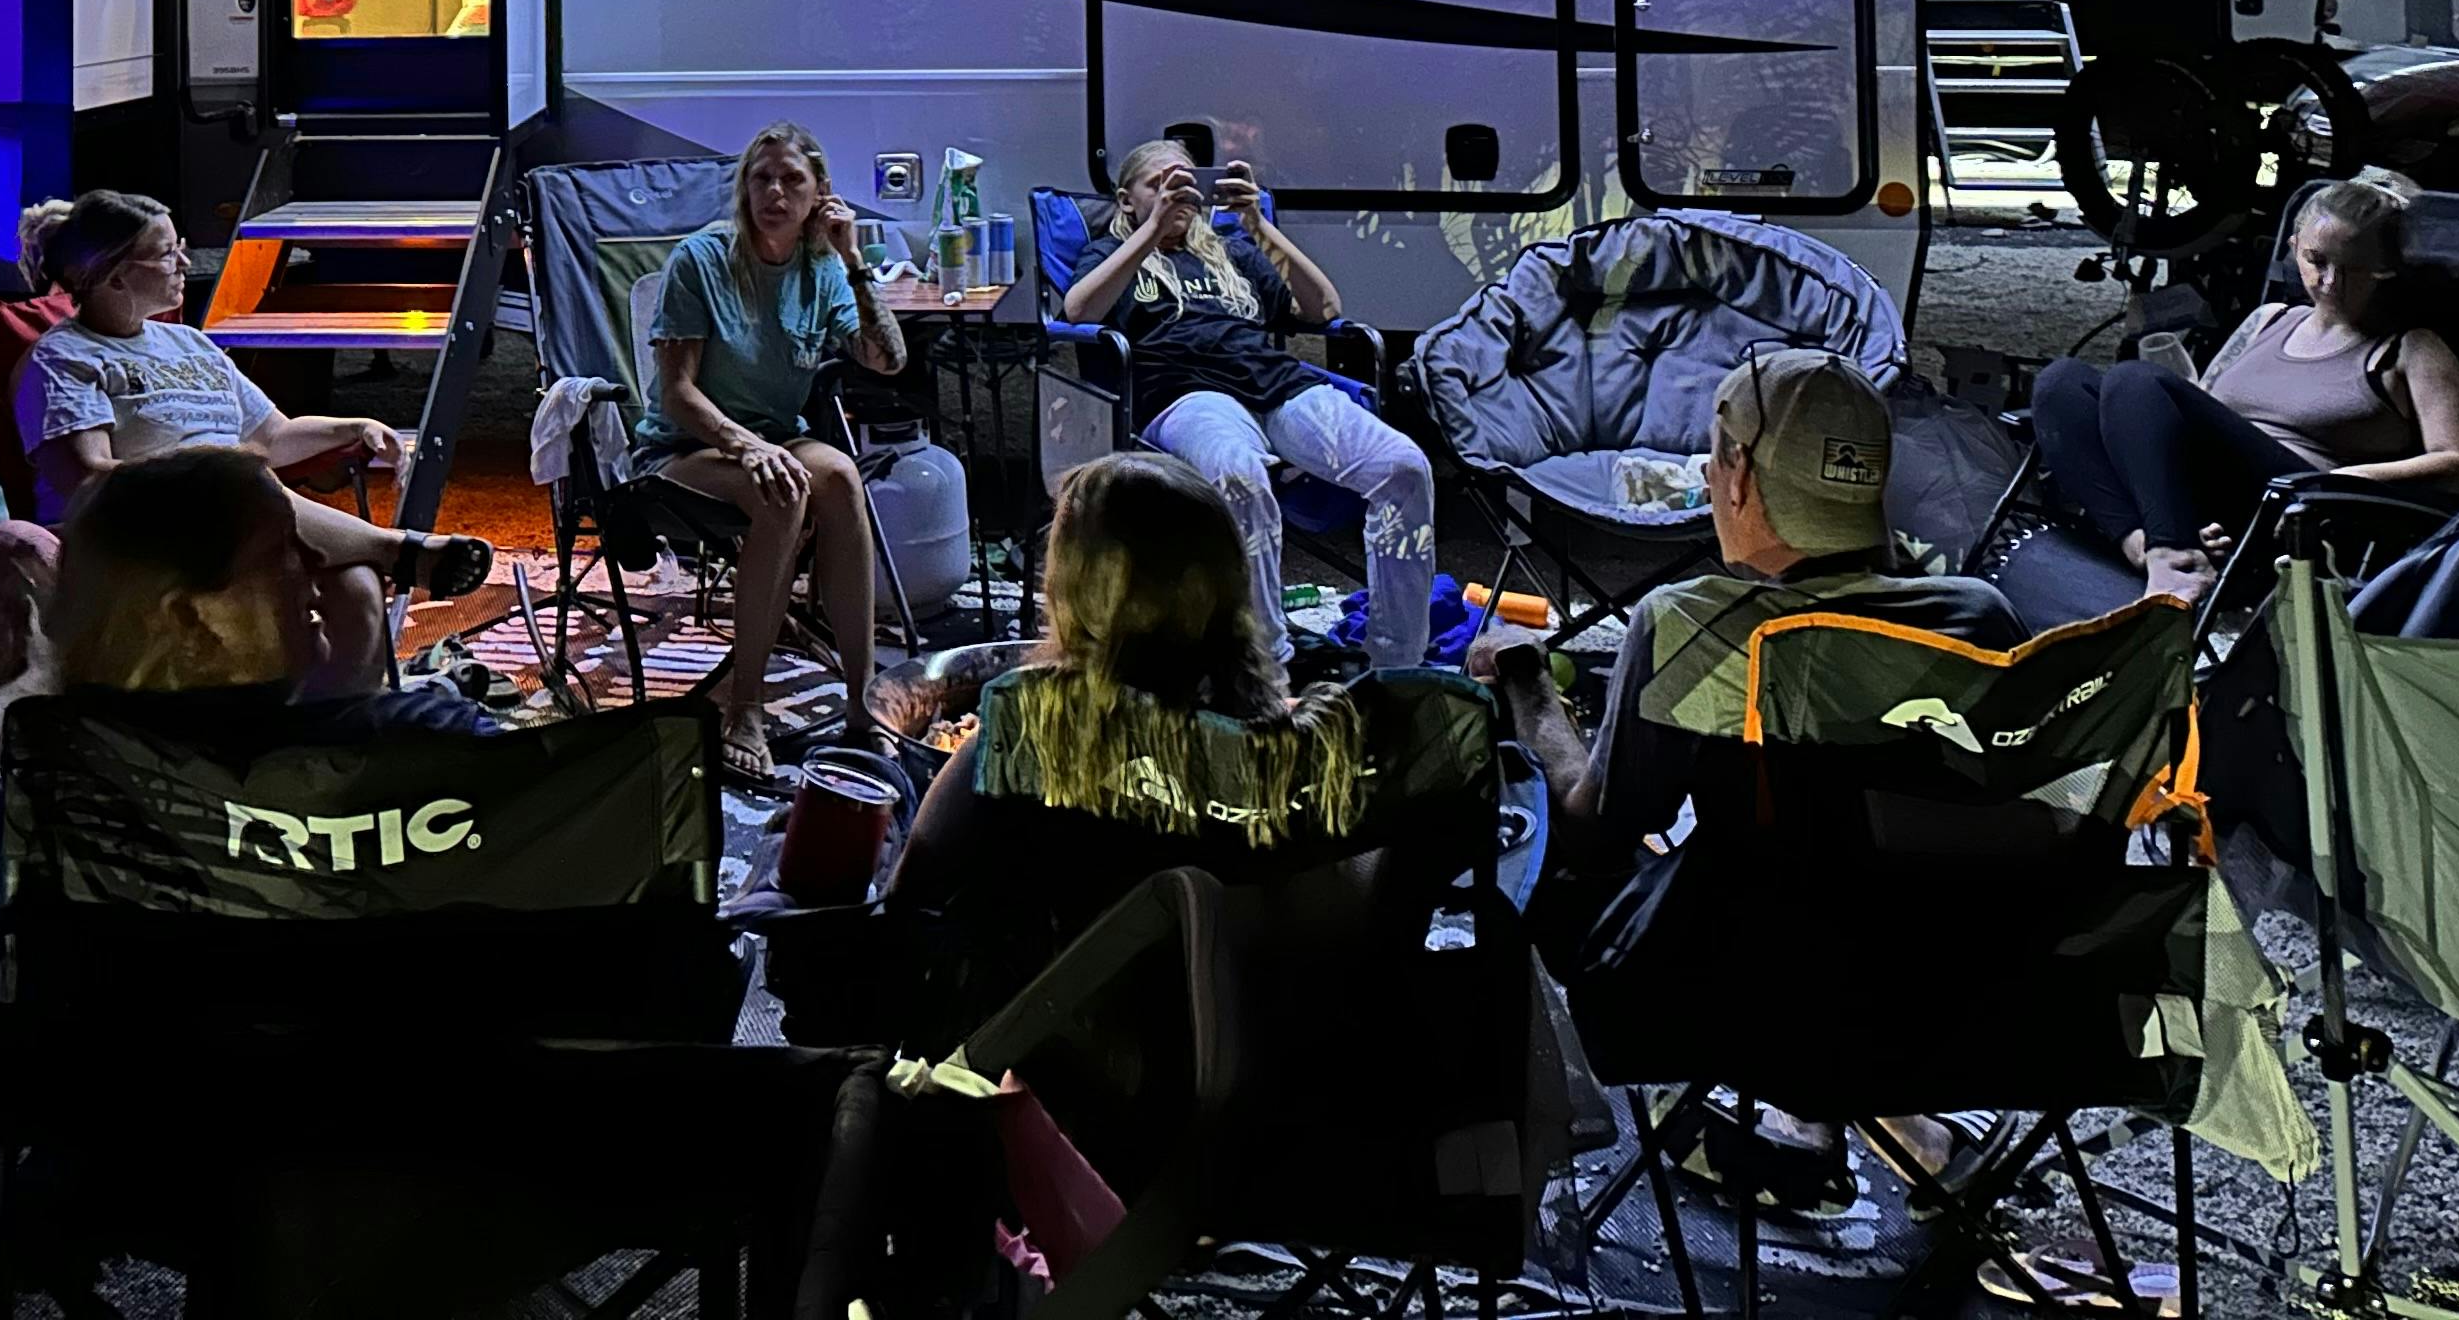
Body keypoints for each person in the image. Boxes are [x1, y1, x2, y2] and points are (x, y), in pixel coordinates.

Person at [1469, 347, 2017, 1208]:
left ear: (1738, 477)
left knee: (1529, 836)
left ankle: (1524, 1132)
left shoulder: (1695, 625)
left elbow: (1597, 823)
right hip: (1946, 987)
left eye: (1718, 449)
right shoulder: (1978, 615)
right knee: (1825, 862)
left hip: (1742, 994)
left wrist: (1531, 688)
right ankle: (1877, 1120)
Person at [851, 452, 1489, 1052]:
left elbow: (913, 896)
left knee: (867, 791)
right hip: (1244, 1032)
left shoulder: (1038, 717)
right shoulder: (1279, 757)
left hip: (1058, 1036)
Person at [0, 444, 501, 989]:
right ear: (189, 617)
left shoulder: (4, 833)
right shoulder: (435, 751)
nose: (316, 563)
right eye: (284, 550)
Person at [16, 186, 490, 667]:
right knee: (242, 478)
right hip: (140, 530)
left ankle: (345, 725)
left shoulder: (188, 344)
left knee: (357, 588)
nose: (184, 263)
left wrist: (353, 426)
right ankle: (398, 549)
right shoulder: (64, 358)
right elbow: (88, 477)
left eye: (181, 248)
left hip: (244, 511)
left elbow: (271, 436)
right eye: (166, 253)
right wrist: (205, 474)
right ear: (114, 276)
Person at [1063, 137, 1436, 669]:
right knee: (1238, 476)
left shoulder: (1233, 250)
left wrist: (1258, 224)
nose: (1179, 195)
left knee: (1404, 467)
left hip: (1277, 385)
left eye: (1190, 183)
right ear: (1127, 200)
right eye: (1161, 185)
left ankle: (1397, 665)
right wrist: (1152, 230)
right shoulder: (1111, 252)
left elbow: (1323, 306)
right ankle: (1267, 664)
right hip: (1188, 394)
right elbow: (1078, 311)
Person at [2029, 166, 2459, 600]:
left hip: (2297, 500)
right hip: (2207, 490)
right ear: (2293, 247)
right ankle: (2147, 546)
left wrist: (2347, 479)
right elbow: (2197, 400)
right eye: (2316, 260)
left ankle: (2177, 557)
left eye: (2352, 268)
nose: (2328, 282)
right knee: (2061, 383)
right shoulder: (2269, 319)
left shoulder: (2409, 348)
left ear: (2385, 269)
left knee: (2135, 378)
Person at [632, 122, 913, 783]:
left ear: (820, 195)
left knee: (840, 476)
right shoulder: (701, 260)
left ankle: (860, 701)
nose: (774, 193)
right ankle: (745, 708)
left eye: (792, 180)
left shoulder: (821, 269)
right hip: (684, 449)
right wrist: (747, 446)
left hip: (775, 440)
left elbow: (888, 360)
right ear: (744, 189)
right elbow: (676, 395)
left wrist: (853, 260)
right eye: (761, 179)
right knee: (781, 488)